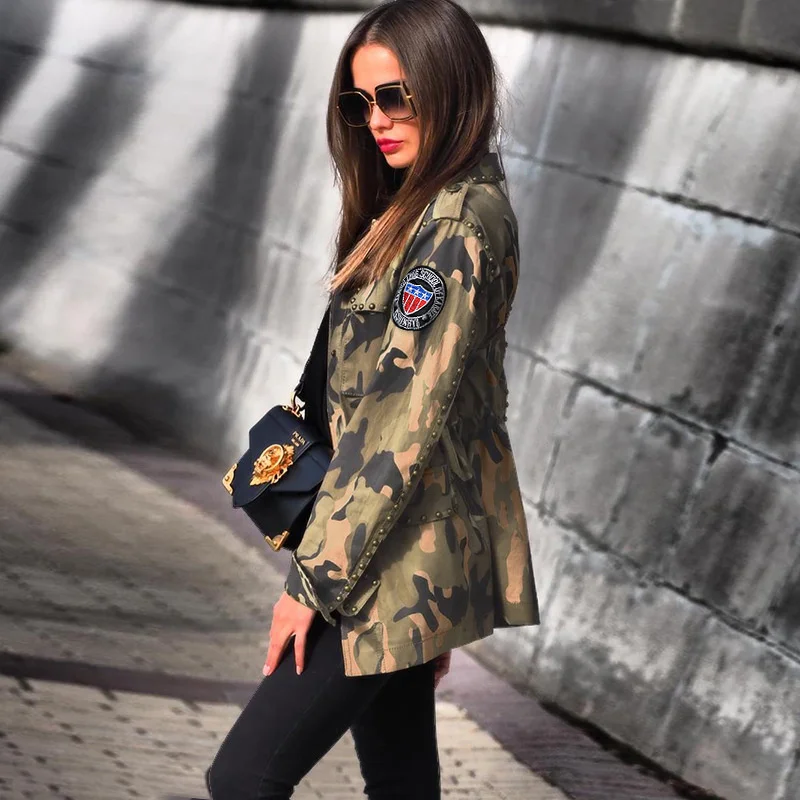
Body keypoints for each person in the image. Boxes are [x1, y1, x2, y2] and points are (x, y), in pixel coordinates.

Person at [205, 0, 539, 797]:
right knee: (401, 784)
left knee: (244, 778)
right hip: (403, 548)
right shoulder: (424, 207)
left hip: (381, 560)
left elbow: (398, 424)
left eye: (396, 97)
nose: (377, 121)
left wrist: (310, 586)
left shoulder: (454, 227)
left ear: (450, 87)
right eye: (361, 103)